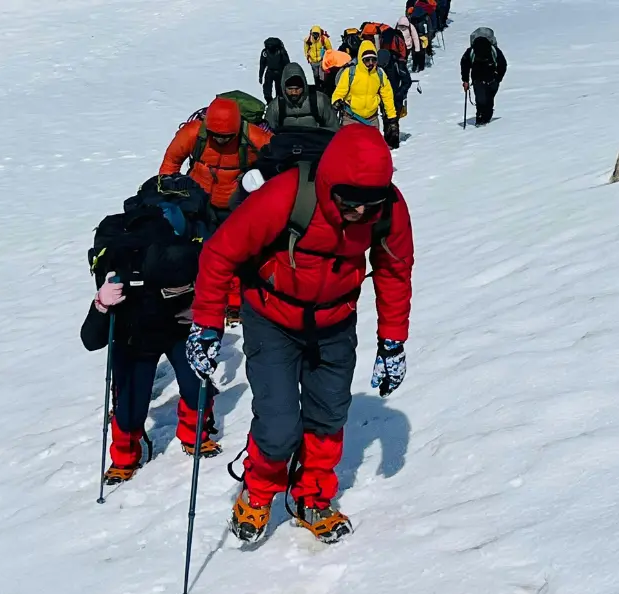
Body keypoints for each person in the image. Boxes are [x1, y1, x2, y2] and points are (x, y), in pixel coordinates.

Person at [185, 125, 414, 544]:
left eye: (370, 205)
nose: (360, 215)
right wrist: (206, 325)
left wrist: (393, 341)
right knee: (278, 424)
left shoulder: (389, 209)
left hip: (335, 321)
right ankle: (257, 493)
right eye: (350, 204)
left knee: (328, 416)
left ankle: (312, 496)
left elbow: (394, 270)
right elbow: (220, 253)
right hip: (271, 318)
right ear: (330, 185)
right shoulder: (289, 195)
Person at [82, 176, 221, 485]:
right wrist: (102, 306)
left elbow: (210, 297)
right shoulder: (122, 279)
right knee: (130, 404)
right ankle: (125, 457)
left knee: (196, 381)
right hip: (135, 335)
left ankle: (194, 434)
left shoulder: (184, 260)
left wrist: (205, 326)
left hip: (176, 328)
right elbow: (90, 339)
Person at [159, 97, 272, 325]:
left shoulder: (252, 136)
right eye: (216, 135)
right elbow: (171, 163)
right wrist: (169, 195)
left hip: (236, 205)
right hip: (199, 203)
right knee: (202, 254)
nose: (220, 140)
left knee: (235, 255)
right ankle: (204, 302)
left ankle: (234, 304)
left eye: (226, 137)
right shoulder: (193, 133)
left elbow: (278, 156)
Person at [331, 41, 397, 129]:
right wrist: (336, 101)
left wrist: (392, 117)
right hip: (351, 118)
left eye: (373, 60)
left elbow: (387, 96)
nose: (370, 63)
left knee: (372, 143)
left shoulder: (379, 74)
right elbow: (339, 91)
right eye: (367, 60)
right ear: (361, 59)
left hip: (371, 120)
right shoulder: (350, 73)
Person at [265, 63, 339, 131]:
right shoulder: (276, 106)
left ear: (304, 86)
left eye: (297, 89)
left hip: (316, 143)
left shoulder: (319, 101)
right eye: (290, 89)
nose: (294, 92)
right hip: (287, 144)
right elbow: (267, 134)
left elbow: (334, 128)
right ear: (284, 88)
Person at [460, 27, 507, 125]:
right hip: (492, 79)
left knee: (480, 99)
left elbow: (465, 64)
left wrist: (465, 80)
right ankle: (486, 119)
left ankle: (480, 118)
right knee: (489, 99)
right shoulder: (494, 50)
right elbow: (503, 64)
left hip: (477, 79)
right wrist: (498, 78)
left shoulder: (471, 51)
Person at [377, 49, 412, 148]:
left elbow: (407, 81)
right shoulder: (378, 66)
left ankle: (393, 142)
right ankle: (388, 140)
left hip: (396, 96)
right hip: (383, 96)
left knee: (393, 118)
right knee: (385, 117)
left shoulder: (397, 64)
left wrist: (400, 93)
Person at [259, 37, 291, 104]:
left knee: (277, 88)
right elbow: (262, 64)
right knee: (268, 87)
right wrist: (260, 76)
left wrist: (260, 76)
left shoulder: (279, 51)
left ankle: (277, 101)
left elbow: (287, 63)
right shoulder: (267, 52)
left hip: (278, 72)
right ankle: (271, 100)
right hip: (273, 71)